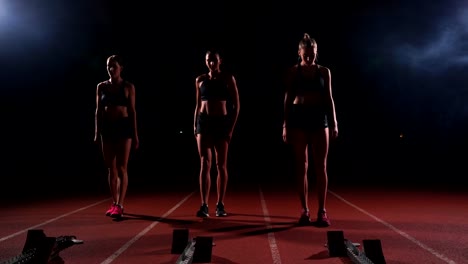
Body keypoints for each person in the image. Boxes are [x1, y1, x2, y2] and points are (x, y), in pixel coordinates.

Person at [282, 33, 338, 227]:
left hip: (318, 118)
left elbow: (329, 98)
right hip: (298, 119)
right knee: (301, 166)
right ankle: (304, 210)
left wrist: (334, 122)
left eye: (312, 54)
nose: (309, 57)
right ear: (299, 52)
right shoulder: (292, 71)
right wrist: (285, 124)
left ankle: (322, 211)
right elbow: (288, 99)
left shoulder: (324, 72)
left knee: (321, 166)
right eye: (306, 54)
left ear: (316, 52)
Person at [194, 50, 240, 218]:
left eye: (214, 60)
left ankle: (220, 204)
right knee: (204, 163)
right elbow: (197, 105)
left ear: (220, 61)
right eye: (208, 61)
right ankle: (204, 204)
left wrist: (231, 128)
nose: (211, 63)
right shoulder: (200, 80)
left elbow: (237, 106)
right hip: (203, 123)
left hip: (221, 123)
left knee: (221, 165)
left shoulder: (228, 78)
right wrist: (194, 125)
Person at [94, 54, 139, 219]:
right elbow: (98, 111)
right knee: (110, 168)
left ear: (121, 68)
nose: (111, 69)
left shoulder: (128, 87)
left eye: (114, 66)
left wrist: (135, 135)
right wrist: (96, 132)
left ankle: (120, 203)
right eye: (108, 66)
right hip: (107, 129)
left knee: (122, 167)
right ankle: (114, 202)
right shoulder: (101, 87)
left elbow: (133, 112)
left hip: (123, 127)